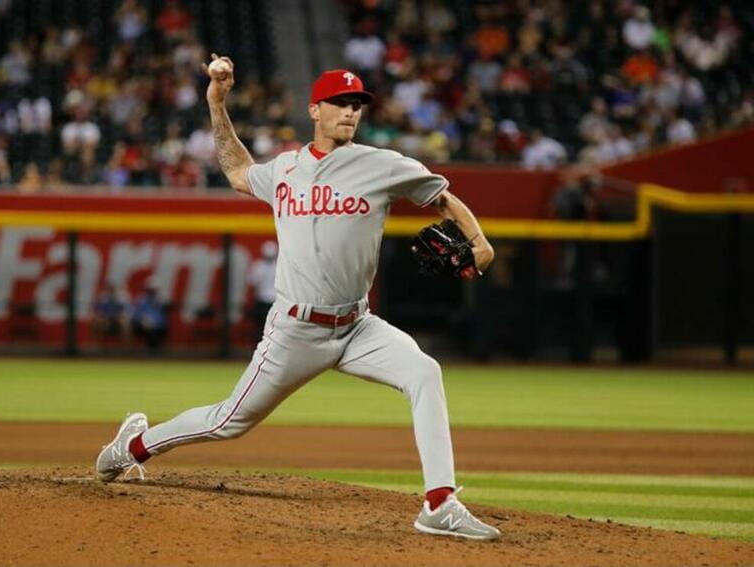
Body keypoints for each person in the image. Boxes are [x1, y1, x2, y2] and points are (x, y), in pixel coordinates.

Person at [96, 57, 499, 541]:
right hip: (295, 329)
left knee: (424, 372)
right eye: (341, 103)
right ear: (315, 110)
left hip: (357, 326)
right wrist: (217, 104)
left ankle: (439, 503)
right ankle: (134, 445)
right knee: (228, 421)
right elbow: (237, 169)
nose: (351, 112)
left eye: (357, 104)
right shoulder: (285, 168)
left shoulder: (384, 165)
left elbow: (442, 197)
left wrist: (478, 241)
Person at [247, 240, 278, 341]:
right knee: (269, 329)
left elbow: (252, 281)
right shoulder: (278, 266)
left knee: (264, 329)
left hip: (266, 302)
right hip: (270, 302)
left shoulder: (258, 266)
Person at [129, 284, 167, 352]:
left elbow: (162, 318)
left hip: (157, 327)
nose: (151, 293)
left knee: (154, 330)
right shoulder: (141, 301)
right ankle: (149, 351)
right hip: (142, 325)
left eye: (152, 291)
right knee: (148, 328)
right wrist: (143, 321)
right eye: (149, 291)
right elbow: (136, 315)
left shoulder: (159, 301)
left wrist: (154, 323)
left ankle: (153, 351)